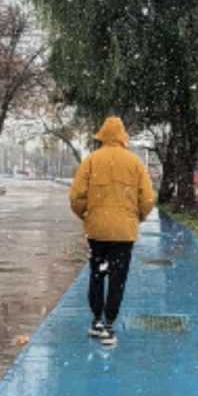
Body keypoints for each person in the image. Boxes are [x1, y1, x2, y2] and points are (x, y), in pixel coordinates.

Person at [69, 116, 156, 346]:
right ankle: (109, 324)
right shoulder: (135, 163)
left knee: (97, 275)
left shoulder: (91, 161)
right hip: (124, 233)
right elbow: (147, 198)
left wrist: (86, 216)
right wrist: (136, 217)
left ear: (102, 137)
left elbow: (76, 196)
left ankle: (96, 321)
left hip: (97, 231)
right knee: (118, 278)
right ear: (122, 137)